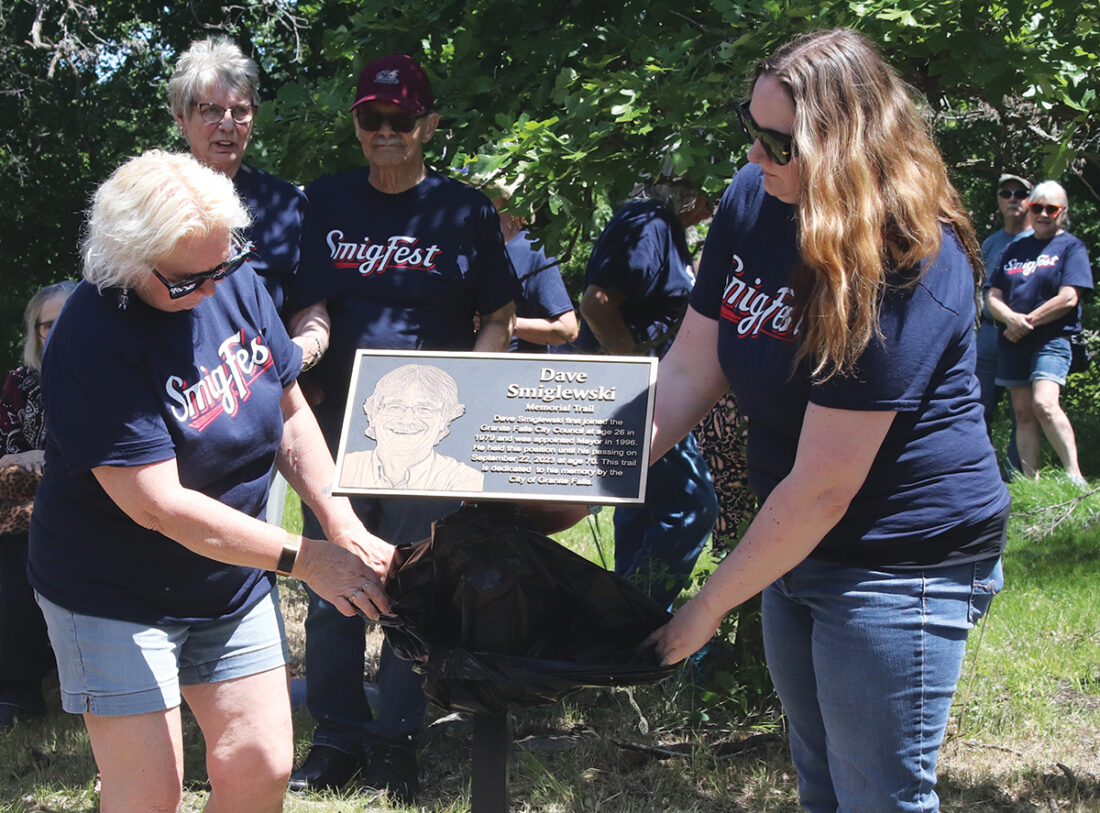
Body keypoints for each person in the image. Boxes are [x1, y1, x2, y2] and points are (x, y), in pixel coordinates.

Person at [643, 29, 1009, 812]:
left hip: (901, 556)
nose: (754, 155)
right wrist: (589, 467)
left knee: (878, 798)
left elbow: (823, 485)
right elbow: (690, 368)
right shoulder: (755, 199)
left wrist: (705, 607)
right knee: (822, 789)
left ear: (845, 145)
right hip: (797, 542)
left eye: (779, 142)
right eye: (751, 128)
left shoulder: (907, 255)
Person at [27, 150, 395, 812]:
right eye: (185, 280)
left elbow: (288, 411)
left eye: (222, 265)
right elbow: (159, 506)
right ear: (124, 262)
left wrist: (340, 521)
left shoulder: (230, 276)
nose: (209, 290)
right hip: (111, 592)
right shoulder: (91, 336)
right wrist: (309, 558)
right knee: (149, 793)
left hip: (228, 578)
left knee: (261, 767)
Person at [285, 54, 516, 801]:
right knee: (333, 575)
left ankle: (396, 740)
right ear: (356, 122)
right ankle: (336, 736)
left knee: (413, 582)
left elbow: (500, 317)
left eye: (401, 119)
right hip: (336, 426)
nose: (385, 131)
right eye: (371, 118)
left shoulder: (465, 211)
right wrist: (301, 360)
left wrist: (469, 393)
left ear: (429, 125)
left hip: (429, 434)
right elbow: (309, 304)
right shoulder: (324, 200)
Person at [577, 185, 718, 611]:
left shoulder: (666, 228)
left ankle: (621, 627)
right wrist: (636, 373)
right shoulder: (649, 221)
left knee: (641, 507)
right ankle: (632, 615)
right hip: (642, 395)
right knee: (691, 507)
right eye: (709, 189)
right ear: (685, 185)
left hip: (652, 394)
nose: (714, 201)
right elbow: (596, 304)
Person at [0, 281, 76, 730]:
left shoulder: (112, 371)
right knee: (13, 562)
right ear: (36, 333)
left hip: (98, 504)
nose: (61, 330)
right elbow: (5, 457)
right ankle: (18, 690)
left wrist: (39, 458)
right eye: (50, 324)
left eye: (71, 319)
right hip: (29, 507)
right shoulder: (20, 383)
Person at [986, 180, 1092, 485]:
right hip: (1013, 340)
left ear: (1063, 212)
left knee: (1044, 403)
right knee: (1022, 412)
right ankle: (1029, 484)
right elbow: (992, 294)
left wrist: (1025, 322)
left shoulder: (1071, 247)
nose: (1043, 214)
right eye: (1037, 207)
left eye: (1051, 209)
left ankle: (1074, 476)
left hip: (1052, 339)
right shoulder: (1014, 248)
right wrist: (1010, 319)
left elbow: (1068, 298)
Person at [339, 364, 484, 491]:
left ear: (445, 419)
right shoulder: (344, 469)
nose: (407, 420)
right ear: (373, 414)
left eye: (424, 409)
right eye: (395, 407)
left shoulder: (465, 480)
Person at [977, 173, 1032, 472]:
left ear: (1030, 200)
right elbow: (980, 289)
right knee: (977, 406)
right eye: (1006, 193)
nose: (1013, 199)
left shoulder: (1041, 239)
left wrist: (1019, 322)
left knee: (1023, 412)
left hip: (1025, 335)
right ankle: (978, 472)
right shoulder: (991, 243)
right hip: (988, 335)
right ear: (998, 200)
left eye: (1020, 194)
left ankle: (1017, 474)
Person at [491, 188, 579, 353]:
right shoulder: (468, 252)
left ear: (505, 203)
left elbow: (567, 330)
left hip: (516, 368)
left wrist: (504, 323)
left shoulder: (532, 251)